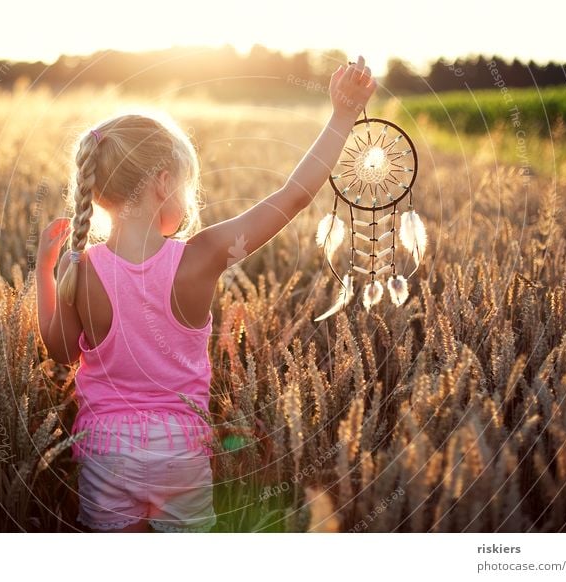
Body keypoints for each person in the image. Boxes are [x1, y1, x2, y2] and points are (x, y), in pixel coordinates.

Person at [35, 56, 376, 532]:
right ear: (163, 184)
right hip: (180, 450)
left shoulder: (82, 267)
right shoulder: (202, 256)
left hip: (105, 448)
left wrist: (43, 273)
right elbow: (293, 195)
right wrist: (343, 115)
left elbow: (60, 351)